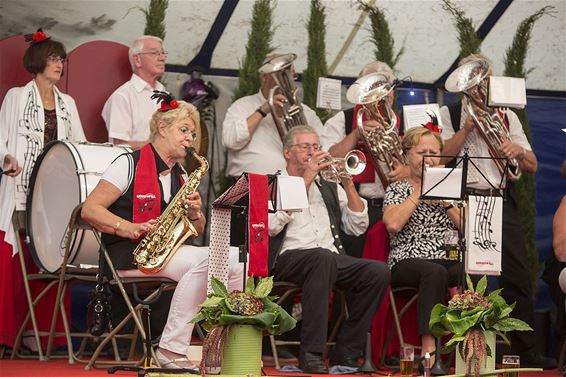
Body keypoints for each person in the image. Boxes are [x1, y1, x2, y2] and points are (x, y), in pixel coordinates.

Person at [82, 95, 243, 369]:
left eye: (193, 133)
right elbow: (89, 210)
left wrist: (195, 214)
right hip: (128, 255)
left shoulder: (180, 174)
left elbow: (197, 228)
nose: (190, 138)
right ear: (163, 129)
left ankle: (228, 347)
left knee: (234, 260)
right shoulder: (128, 164)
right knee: (207, 262)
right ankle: (169, 350)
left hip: (166, 254)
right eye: (184, 130)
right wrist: (130, 228)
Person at [440, 54, 555, 369]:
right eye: (473, 78)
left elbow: (531, 164)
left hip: (502, 200)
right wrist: (465, 130)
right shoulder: (448, 111)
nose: (479, 85)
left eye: (483, 77)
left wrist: (516, 149)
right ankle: (469, 352)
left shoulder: (507, 116)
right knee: (471, 279)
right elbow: (440, 158)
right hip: (467, 200)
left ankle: (525, 350)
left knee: (517, 274)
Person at [268, 125, 390, 373]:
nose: (312, 153)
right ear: (287, 152)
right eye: (305, 147)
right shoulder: (274, 182)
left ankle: (346, 351)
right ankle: (311, 353)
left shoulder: (329, 185)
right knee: (321, 258)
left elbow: (357, 226)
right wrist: (308, 177)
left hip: (328, 259)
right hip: (288, 259)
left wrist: (348, 184)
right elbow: (271, 226)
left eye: (316, 147)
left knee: (378, 272)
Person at [0, 29, 85, 347]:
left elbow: (78, 143)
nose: (59, 64)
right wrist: (6, 157)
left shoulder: (69, 103)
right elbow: (2, 137)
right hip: (20, 188)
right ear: (38, 61)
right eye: (53, 58)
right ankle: (7, 335)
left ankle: (41, 336)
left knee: (51, 260)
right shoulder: (17, 97)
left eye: (62, 59)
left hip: (55, 193)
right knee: (11, 262)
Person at [383, 127, 463, 363]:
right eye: (421, 152)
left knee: (471, 271)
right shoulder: (397, 189)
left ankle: (470, 344)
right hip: (407, 260)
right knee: (433, 271)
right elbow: (393, 225)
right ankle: (430, 350)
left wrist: (447, 203)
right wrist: (422, 188)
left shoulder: (452, 187)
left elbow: (468, 229)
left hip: (448, 256)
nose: (429, 158)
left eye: (434, 152)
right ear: (407, 155)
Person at [321, 61, 407, 257]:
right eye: (373, 89)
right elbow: (326, 160)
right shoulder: (341, 120)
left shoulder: (405, 121)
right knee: (357, 262)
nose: (383, 95)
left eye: (387, 89)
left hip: (394, 206)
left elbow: (424, 161)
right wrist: (355, 136)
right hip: (356, 207)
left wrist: (406, 171)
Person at [222, 53, 324, 178]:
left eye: (291, 75)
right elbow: (231, 141)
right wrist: (263, 110)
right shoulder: (242, 106)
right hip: (252, 185)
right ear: (264, 77)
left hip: (295, 183)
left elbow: (322, 148)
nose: (289, 80)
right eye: (282, 74)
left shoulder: (306, 112)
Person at [102, 35, 166, 150]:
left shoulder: (165, 93)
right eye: (154, 53)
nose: (162, 58)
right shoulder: (122, 97)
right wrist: (158, 147)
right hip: (135, 166)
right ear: (137, 60)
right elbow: (119, 146)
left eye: (162, 53)